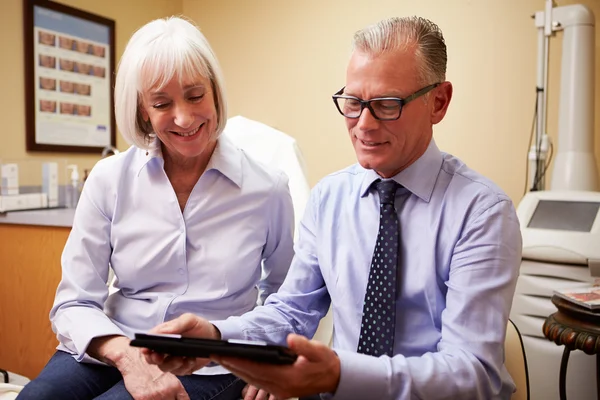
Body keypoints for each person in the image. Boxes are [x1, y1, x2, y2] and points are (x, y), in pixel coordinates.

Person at [143, 16, 522, 400]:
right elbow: (291, 312)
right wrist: (216, 336)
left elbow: (471, 372)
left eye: (387, 104)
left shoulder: (482, 212)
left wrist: (339, 375)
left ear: (438, 102)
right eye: (354, 103)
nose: (364, 125)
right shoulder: (329, 199)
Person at [17, 16, 294, 400]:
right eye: (162, 103)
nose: (184, 117)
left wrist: (270, 363)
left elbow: (286, 296)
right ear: (143, 110)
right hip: (115, 345)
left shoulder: (267, 188)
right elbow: (74, 300)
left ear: (215, 91)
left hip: (212, 361)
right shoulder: (109, 179)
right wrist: (128, 358)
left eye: (196, 96)